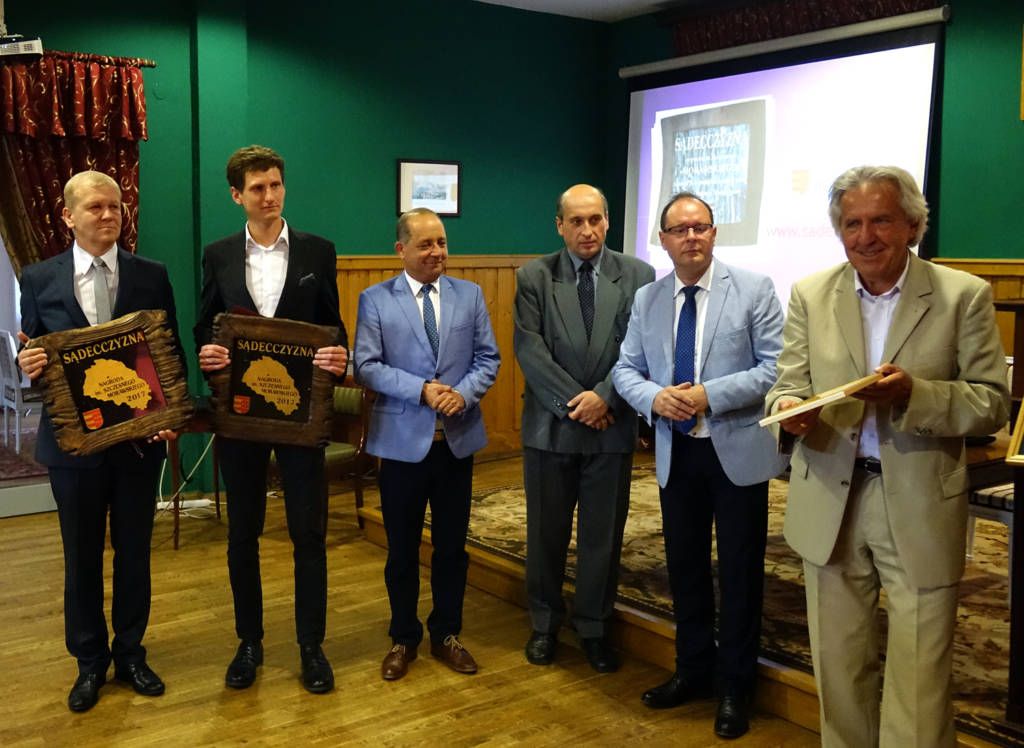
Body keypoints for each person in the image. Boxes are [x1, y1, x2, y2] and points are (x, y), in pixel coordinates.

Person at [765, 166, 1009, 747]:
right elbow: (786, 384)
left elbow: (992, 403)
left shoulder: (962, 295)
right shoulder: (810, 293)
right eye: (852, 223)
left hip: (920, 501)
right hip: (830, 495)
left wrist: (913, 394)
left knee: (920, 676)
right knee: (839, 664)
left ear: (913, 226)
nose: (865, 236)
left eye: (881, 221)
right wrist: (789, 409)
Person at [612, 192, 787, 738]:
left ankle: (735, 687)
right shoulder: (647, 298)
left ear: (714, 233)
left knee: (739, 573)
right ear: (663, 240)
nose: (691, 237)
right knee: (684, 567)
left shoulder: (754, 288)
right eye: (680, 230)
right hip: (677, 450)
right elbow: (625, 369)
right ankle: (691, 670)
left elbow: (775, 368)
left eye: (701, 227)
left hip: (736, 451)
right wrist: (653, 398)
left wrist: (708, 395)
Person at [17, 170, 182, 712]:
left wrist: (170, 412)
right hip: (72, 449)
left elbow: (169, 351)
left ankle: (131, 654)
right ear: (68, 216)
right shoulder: (37, 278)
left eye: (115, 206)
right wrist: (27, 364)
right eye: (95, 207)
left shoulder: (151, 274)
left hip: (138, 444)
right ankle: (89, 663)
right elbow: (35, 355)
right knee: (81, 558)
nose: (109, 215)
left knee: (135, 554)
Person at [194, 145, 348, 694]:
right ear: (237, 195)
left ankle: (312, 646)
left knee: (309, 533)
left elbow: (333, 327)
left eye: (276, 185)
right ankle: (249, 643)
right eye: (257, 188)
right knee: (244, 533)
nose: (269, 196)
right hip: (241, 418)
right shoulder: (218, 254)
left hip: (300, 417)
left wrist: (339, 354)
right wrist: (208, 352)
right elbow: (205, 326)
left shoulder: (317, 251)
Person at [354, 207, 499, 681]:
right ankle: (404, 637)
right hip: (401, 445)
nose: (437, 252)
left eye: (441, 242)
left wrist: (464, 393)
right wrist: (421, 390)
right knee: (401, 550)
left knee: (452, 548)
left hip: (456, 442)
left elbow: (488, 358)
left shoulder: (469, 295)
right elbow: (366, 366)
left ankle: (447, 633)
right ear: (401, 250)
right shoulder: (376, 300)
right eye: (425, 244)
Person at [513, 184, 654, 672]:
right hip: (551, 427)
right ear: (560, 225)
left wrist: (605, 398)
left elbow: (640, 349)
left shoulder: (638, 275)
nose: (587, 230)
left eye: (595, 219)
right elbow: (530, 350)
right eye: (576, 221)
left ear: (608, 220)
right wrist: (578, 404)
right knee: (545, 534)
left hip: (611, 425)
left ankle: (594, 628)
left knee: (602, 537)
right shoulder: (534, 276)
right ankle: (544, 625)